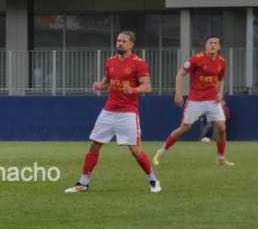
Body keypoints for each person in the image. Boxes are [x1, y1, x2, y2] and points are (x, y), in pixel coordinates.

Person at [65, 31, 161, 193]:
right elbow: (107, 83)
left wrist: (133, 90)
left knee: (135, 150)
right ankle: (83, 183)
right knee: (94, 145)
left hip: (128, 113)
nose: (120, 43)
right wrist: (99, 85)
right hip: (108, 111)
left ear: (131, 44)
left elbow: (147, 86)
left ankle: (153, 179)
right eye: (118, 41)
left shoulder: (139, 63)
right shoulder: (110, 61)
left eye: (123, 41)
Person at [153, 34, 234, 166]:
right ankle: (162, 150)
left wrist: (220, 93)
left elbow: (220, 79)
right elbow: (180, 74)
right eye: (210, 43)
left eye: (215, 43)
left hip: (213, 100)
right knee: (185, 128)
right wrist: (178, 93)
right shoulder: (196, 59)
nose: (213, 45)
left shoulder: (221, 61)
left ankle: (221, 158)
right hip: (196, 100)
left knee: (221, 128)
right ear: (205, 45)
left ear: (219, 46)